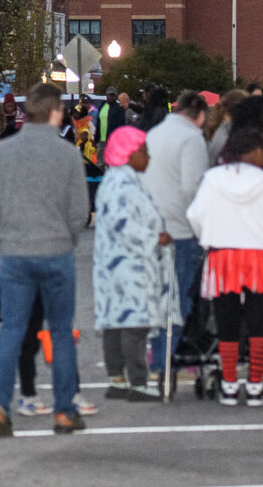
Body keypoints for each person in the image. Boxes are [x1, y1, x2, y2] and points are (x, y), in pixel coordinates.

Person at [0, 84, 89, 438]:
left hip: (15, 252)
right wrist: (67, 238)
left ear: (27, 112)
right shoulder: (67, 154)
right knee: (59, 331)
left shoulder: (4, 151)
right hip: (56, 251)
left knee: (11, 330)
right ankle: (64, 411)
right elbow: (79, 211)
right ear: (56, 112)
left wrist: (2, 237)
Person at [186, 126, 263, 407]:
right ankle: (255, 384)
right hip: (259, 256)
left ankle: (229, 384)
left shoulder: (212, 178)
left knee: (226, 320)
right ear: (255, 152)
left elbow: (195, 216)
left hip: (223, 256)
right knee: (259, 320)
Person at [95, 127, 177, 402]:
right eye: (144, 151)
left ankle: (116, 378)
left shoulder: (118, 179)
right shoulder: (123, 185)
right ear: (128, 153)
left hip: (116, 263)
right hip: (128, 264)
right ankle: (138, 382)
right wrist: (156, 237)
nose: (148, 157)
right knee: (134, 322)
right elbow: (124, 225)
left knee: (115, 321)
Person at [142, 91, 209, 379]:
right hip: (179, 229)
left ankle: (156, 358)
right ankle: (165, 361)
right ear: (200, 115)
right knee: (178, 300)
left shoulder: (154, 134)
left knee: (158, 296)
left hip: (150, 227)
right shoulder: (192, 139)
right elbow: (193, 188)